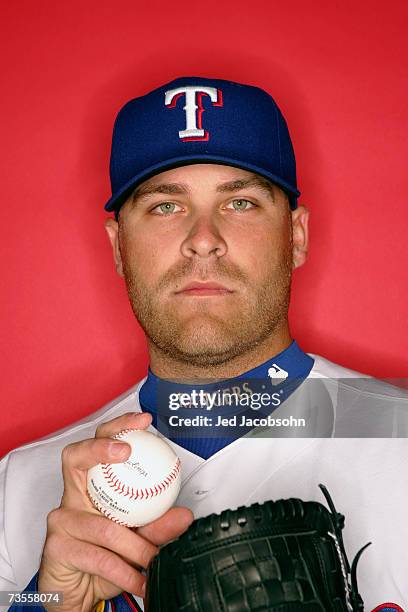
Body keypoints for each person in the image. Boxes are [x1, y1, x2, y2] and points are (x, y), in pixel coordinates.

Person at [0, 76, 407, 612]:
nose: (203, 238)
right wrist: (48, 602)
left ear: (297, 235)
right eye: (166, 207)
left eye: (240, 202)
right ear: (119, 247)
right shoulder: (23, 485)